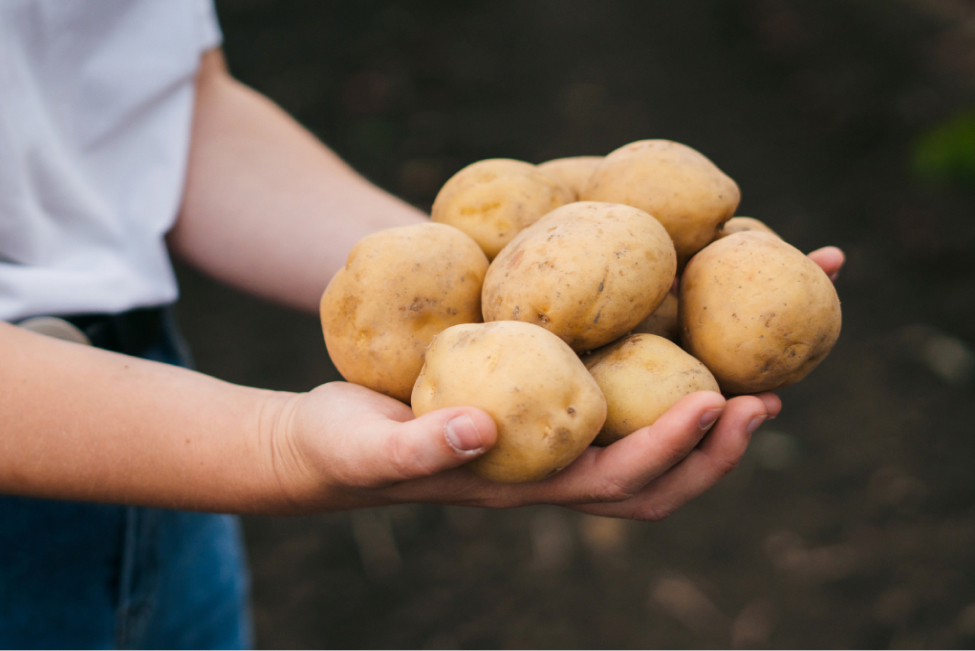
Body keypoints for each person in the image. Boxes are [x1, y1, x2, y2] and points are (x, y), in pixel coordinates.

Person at [0, 0, 845, 648]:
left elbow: (155, 109)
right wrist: (273, 442)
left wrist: (465, 265)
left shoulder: (593, 272)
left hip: (142, 413)